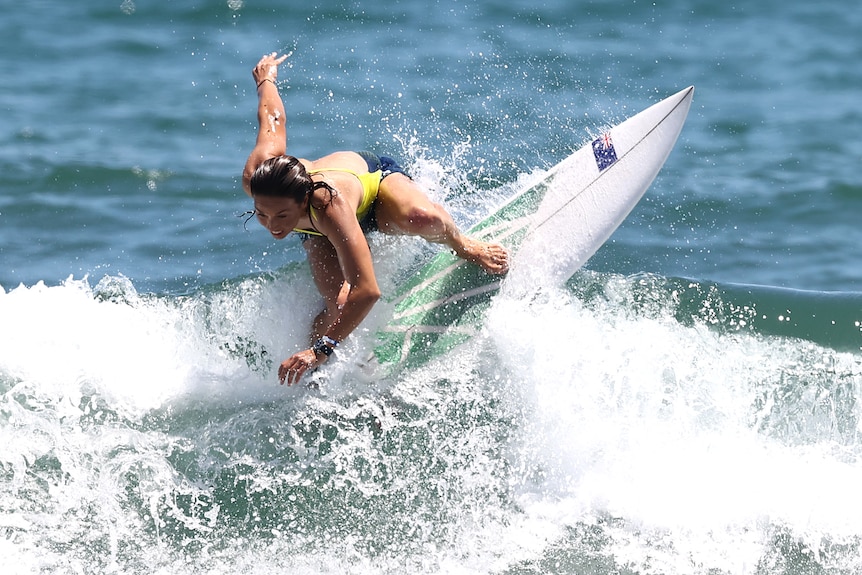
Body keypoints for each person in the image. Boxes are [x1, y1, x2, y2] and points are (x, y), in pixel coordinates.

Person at [242, 52, 509, 386]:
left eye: (282, 215)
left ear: (303, 200)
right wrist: (266, 79)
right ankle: (314, 374)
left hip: (374, 187)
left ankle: (465, 245)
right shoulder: (259, 177)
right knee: (336, 306)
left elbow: (368, 289)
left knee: (423, 218)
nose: (273, 224)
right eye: (262, 214)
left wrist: (323, 348)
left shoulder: (328, 205)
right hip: (321, 230)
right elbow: (272, 120)